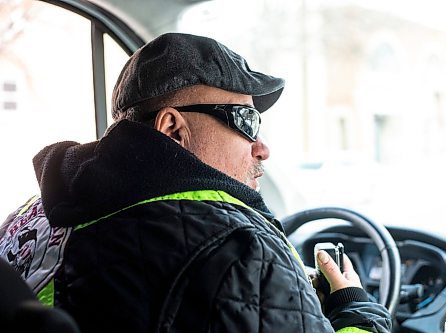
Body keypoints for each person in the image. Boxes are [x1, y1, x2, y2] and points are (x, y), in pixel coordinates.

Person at [0, 33, 391, 333]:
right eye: (247, 122)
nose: (262, 148)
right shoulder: (239, 247)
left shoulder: (33, 214)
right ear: (173, 128)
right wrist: (356, 312)